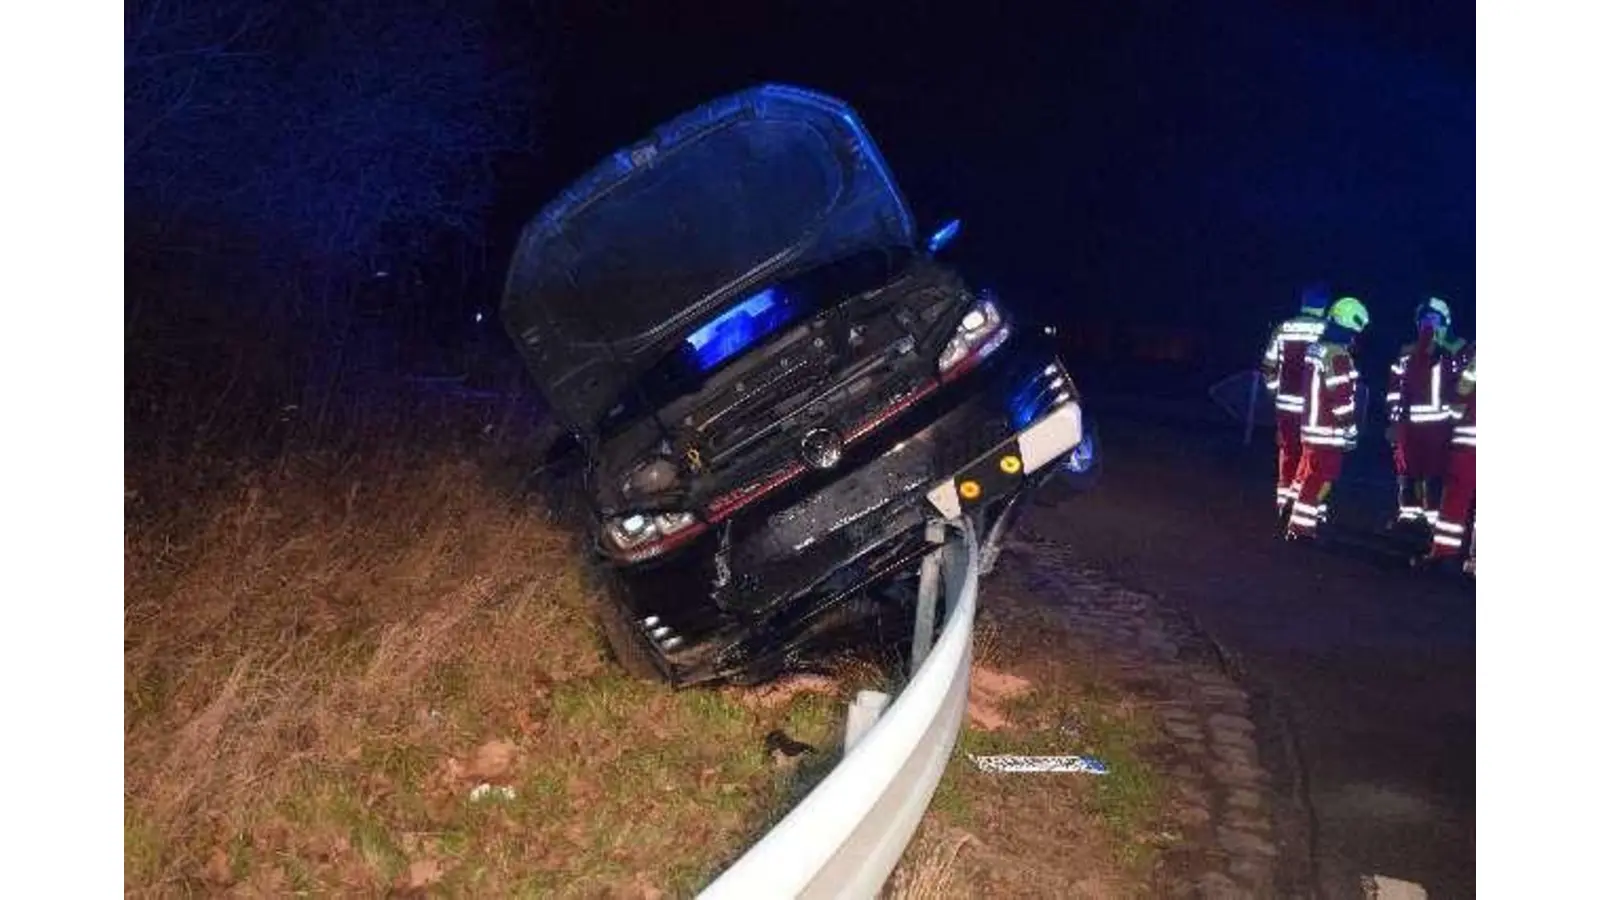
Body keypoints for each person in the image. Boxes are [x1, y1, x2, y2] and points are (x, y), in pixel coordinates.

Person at [1285, 296, 1369, 541]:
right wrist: (1351, 430)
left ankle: (1296, 509)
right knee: (1320, 478)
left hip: (1310, 426)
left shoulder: (1317, 349)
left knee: (1307, 473)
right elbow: (1341, 400)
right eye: (1356, 331)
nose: (1357, 338)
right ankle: (1300, 527)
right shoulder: (1339, 356)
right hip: (1328, 431)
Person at [1385, 298, 1469, 532]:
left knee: (1435, 472)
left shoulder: (1455, 352)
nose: (1428, 326)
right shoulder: (1406, 353)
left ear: (1445, 323)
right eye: (1424, 321)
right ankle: (1408, 518)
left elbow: (1465, 387)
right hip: (1410, 426)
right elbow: (1395, 390)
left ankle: (1433, 523)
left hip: (1441, 426)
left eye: (1433, 321)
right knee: (1407, 470)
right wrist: (1394, 418)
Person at [1260, 283, 1330, 518]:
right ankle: (1308, 506)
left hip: (1286, 404)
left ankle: (1283, 502)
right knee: (1312, 456)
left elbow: (1269, 366)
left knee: (1288, 452)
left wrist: (1276, 392)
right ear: (1324, 306)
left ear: (1302, 303)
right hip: (1315, 407)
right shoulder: (1327, 331)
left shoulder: (1283, 328)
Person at [1416, 340, 1475, 574]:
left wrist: (1452, 416)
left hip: (1469, 442)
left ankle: (1444, 554)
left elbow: (1459, 401)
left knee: (1455, 501)